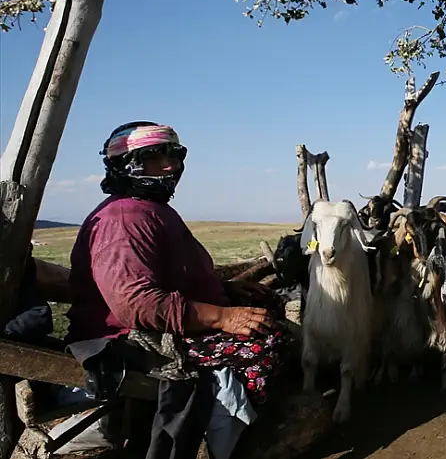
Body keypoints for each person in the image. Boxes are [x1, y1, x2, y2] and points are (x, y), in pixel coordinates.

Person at [66, 121, 289, 459]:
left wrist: (226, 290)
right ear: (128, 164)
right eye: (155, 157)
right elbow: (136, 304)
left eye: (175, 155)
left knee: (268, 309)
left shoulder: (150, 209)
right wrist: (222, 317)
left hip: (152, 323)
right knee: (262, 342)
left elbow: (170, 277)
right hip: (127, 338)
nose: (171, 165)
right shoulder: (123, 220)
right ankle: (222, 446)